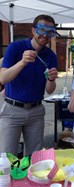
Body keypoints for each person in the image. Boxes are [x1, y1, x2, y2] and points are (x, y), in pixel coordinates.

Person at [0, 14, 58, 156]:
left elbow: (50, 91)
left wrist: (51, 79)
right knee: (7, 156)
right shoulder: (15, 47)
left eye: (50, 32)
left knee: (34, 157)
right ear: (33, 31)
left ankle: (28, 178)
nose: (45, 35)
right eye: (42, 30)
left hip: (36, 111)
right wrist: (22, 62)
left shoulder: (50, 55)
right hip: (13, 109)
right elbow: (3, 78)